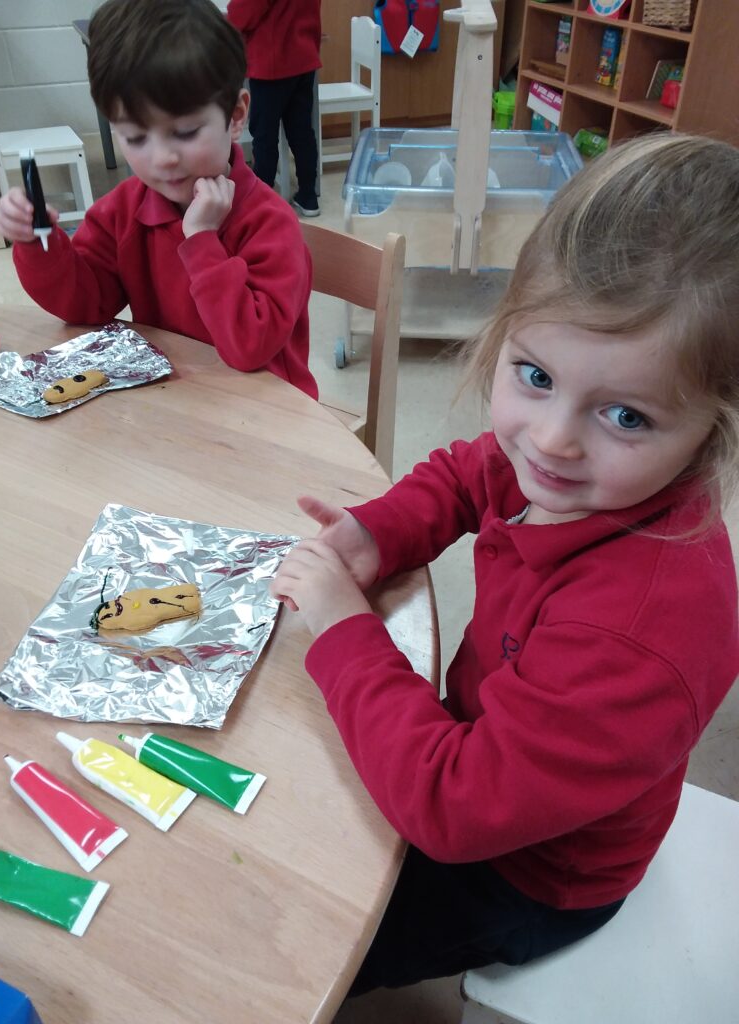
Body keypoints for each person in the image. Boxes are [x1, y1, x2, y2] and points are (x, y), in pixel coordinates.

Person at [270, 133, 739, 994]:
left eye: (626, 417)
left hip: (529, 878)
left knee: (289, 946)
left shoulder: (641, 633)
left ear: (714, 424)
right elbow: (470, 471)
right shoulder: (575, 476)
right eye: (532, 374)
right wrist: (378, 536)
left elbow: (451, 806)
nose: (552, 441)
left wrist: (344, 625)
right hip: (488, 763)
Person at [0, 0, 318, 400]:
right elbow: (86, 305)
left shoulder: (271, 223)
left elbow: (249, 348)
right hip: (177, 404)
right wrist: (37, 243)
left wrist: (201, 240)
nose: (163, 158)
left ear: (235, 116)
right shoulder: (122, 211)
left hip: (273, 417)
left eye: (184, 132)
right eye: (135, 137)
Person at [226, 0, 321, 218]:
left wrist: (226, 23)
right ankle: (308, 196)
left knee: (264, 136)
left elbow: (244, 11)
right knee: (302, 132)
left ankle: (263, 199)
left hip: (272, 60)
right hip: (304, 56)